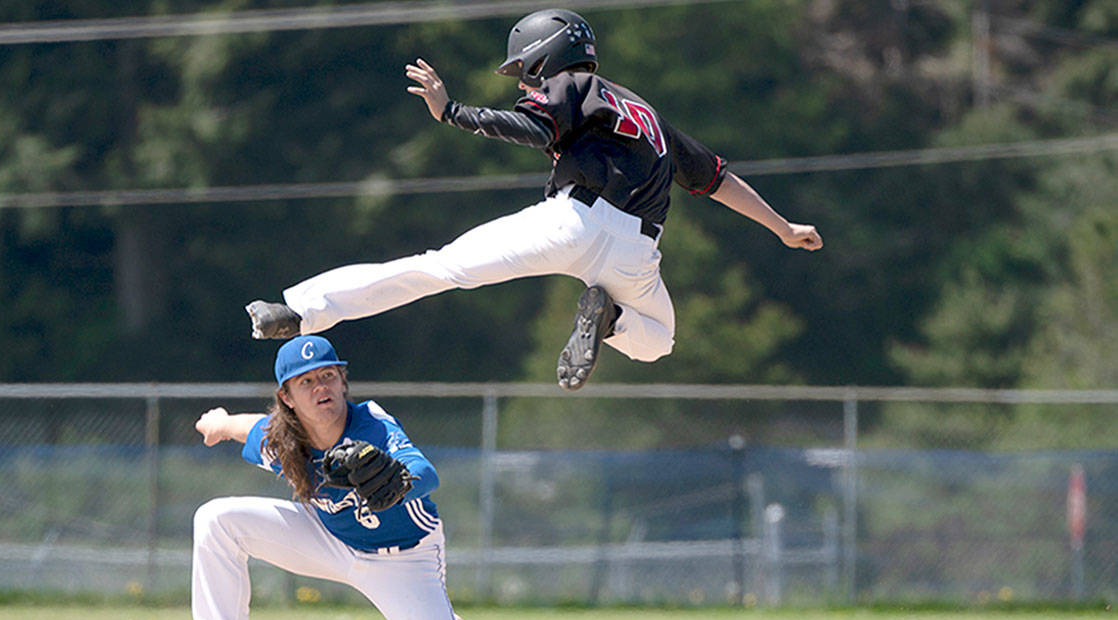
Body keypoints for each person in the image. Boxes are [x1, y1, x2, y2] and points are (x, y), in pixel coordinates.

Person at [246, 8, 823, 390]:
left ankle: (299, 312)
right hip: (636, 252)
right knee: (659, 341)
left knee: (439, 269)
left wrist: (455, 112)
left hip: (572, 223)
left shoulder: (571, 86)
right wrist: (781, 227)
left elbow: (535, 128)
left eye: (525, 71)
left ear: (548, 56)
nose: (524, 83)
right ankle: (612, 319)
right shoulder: (647, 114)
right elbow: (714, 178)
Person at [174, 334, 490, 620]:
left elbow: (426, 472)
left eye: (327, 375)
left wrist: (401, 482)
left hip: (404, 560)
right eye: (306, 381)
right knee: (216, 519)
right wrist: (221, 422)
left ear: (343, 381)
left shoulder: (371, 424)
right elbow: (250, 426)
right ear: (287, 398)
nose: (320, 386)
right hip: (327, 539)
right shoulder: (284, 439)